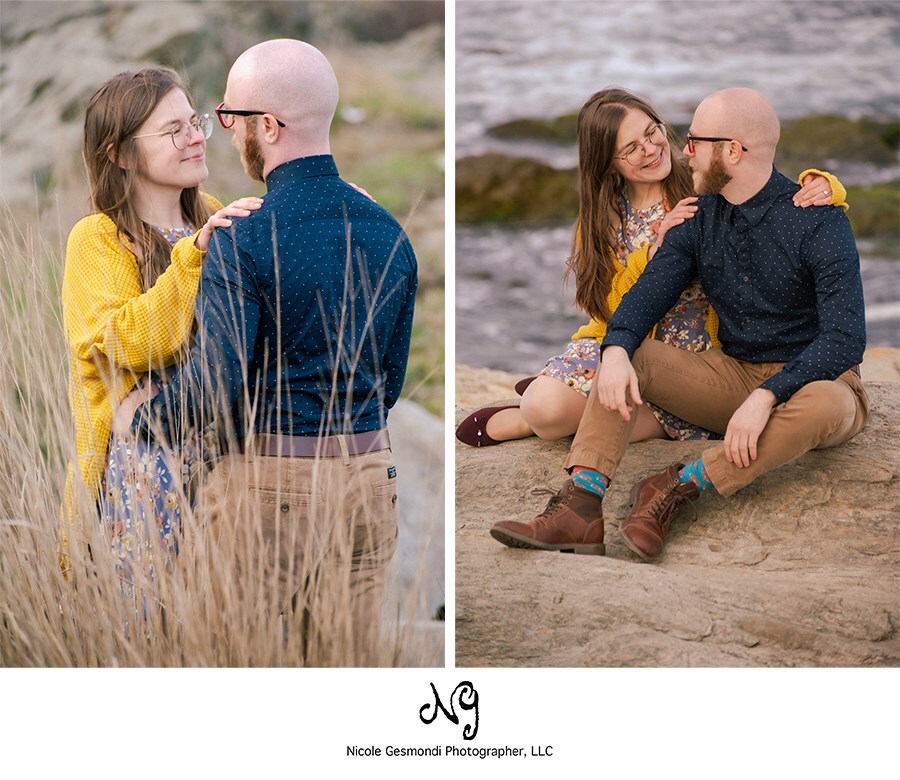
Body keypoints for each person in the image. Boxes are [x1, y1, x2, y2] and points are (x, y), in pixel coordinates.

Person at [115, 39, 418, 663]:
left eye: (230, 117)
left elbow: (216, 385)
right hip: (370, 482)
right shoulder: (390, 231)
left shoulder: (243, 235)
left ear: (269, 127)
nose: (225, 133)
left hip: (270, 489)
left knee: (215, 668)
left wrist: (142, 420)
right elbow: (389, 382)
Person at [489, 88, 868, 560]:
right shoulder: (695, 216)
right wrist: (615, 351)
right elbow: (642, 300)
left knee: (823, 405)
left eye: (694, 141)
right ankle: (579, 509)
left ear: (732, 150)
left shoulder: (820, 220)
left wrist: (767, 396)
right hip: (730, 375)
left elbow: (846, 338)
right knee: (628, 355)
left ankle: (678, 486)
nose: (679, 150)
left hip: (817, 381)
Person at [455, 88, 845, 448]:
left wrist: (825, 185)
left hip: (696, 353)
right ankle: (541, 413)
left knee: (590, 416)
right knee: (545, 409)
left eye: (651, 132)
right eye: (630, 149)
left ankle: (650, 421)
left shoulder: (700, 182)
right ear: (607, 163)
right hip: (628, 342)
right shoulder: (602, 220)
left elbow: (761, 184)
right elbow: (607, 307)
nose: (650, 149)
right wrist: (653, 252)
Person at [61, 66, 261, 585]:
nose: (196, 137)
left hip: (226, 453)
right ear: (121, 154)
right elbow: (126, 340)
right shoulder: (97, 238)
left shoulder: (212, 215)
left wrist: (336, 209)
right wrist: (193, 256)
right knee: (148, 621)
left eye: (194, 121)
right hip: (142, 462)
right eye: (173, 130)